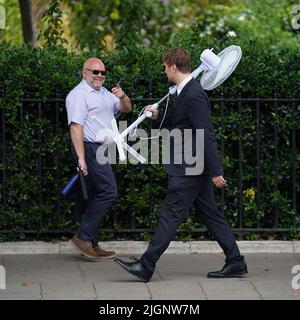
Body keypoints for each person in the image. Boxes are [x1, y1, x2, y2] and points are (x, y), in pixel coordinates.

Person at [115, 48, 247, 281]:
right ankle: (236, 261)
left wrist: (215, 171)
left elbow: (205, 133)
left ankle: (146, 266)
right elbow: (175, 128)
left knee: (170, 215)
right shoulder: (183, 92)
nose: (164, 70)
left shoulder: (194, 93)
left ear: (174, 67)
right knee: (211, 215)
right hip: (191, 166)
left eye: (165, 66)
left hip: (189, 167)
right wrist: (156, 118)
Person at [66, 57, 132, 260]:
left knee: (96, 195)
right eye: (95, 72)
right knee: (109, 192)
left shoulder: (104, 93)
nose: (100, 76)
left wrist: (122, 96)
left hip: (104, 149)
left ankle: (92, 245)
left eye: (103, 72)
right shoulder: (78, 95)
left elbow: (126, 108)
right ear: (84, 72)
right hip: (90, 148)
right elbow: (76, 127)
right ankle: (83, 236)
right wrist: (81, 158)